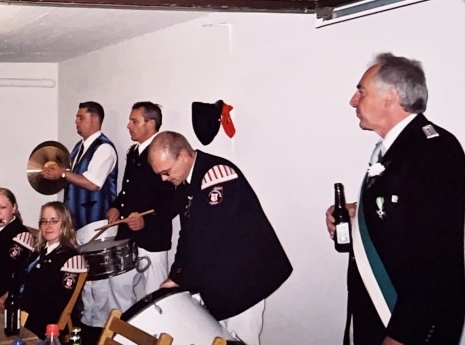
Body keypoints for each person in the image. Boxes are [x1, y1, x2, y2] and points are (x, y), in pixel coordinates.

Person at [325, 54, 465, 345]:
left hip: (411, 325)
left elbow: (435, 260)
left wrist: (402, 336)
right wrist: (358, 216)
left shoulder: (435, 152)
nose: (353, 101)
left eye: (362, 91)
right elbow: (403, 217)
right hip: (381, 315)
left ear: (390, 97)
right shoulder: (395, 149)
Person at [149, 131, 292, 345]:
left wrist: (181, 279)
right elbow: (187, 234)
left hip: (243, 280)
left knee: (242, 340)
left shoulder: (216, 176)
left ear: (183, 156)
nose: (164, 178)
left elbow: (207, 238)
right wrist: (176, 275)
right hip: (223, 278)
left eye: (166, 172)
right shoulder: (189, 182)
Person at [41, 101, 118, 330]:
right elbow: (71, 179)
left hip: (97, 222)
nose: (76, 121)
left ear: (95, 119)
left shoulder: (104, 148)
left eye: (80, 117)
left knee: (100, 283)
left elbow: (93, 183)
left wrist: (63, 173)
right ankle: (87, 326)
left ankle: (101, 330)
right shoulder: (78, 148)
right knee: (86, 279)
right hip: (80, 223)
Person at [105, 102, 176, 311]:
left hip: (153, 238)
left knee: (156, 299)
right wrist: (116, 207)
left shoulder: (164, 153)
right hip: (127, 236)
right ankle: (123, 330)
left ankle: (154, 332)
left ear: (150, 124)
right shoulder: (135, 152)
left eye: (134, 121)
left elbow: (173, 201)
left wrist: (146, 221)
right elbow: (128, 189)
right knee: (118, 286)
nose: (128, 125)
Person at [19, 202, 87, 340]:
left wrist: (22, 317)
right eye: (44, 221)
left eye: (54, 221)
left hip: (41, 325)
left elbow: (56, 305)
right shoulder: (39, 251)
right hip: (22, 313)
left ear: (65, 224)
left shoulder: (71, 258)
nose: (48, 226)